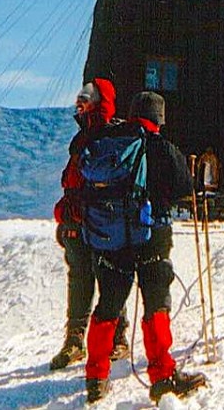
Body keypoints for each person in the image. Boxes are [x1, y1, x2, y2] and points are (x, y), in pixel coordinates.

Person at [84, 91, 207, 404]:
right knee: (155, 304)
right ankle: (162, 376)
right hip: (151, 235)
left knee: (108, 305)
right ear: (159, 119)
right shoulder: (161, 147)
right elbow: (183, 187)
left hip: (111, 239)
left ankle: (96, 377)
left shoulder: (109, 143)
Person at [50, 78, 129, 370]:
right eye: (78, 102)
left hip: (104, 222)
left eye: (84, 101)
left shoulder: (113, 136)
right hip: (77, 223)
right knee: (80, 279)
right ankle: (74, 340)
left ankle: (117, 337)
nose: (79, 107)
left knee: (109, 278)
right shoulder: (81, 138)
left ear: (98, 103)